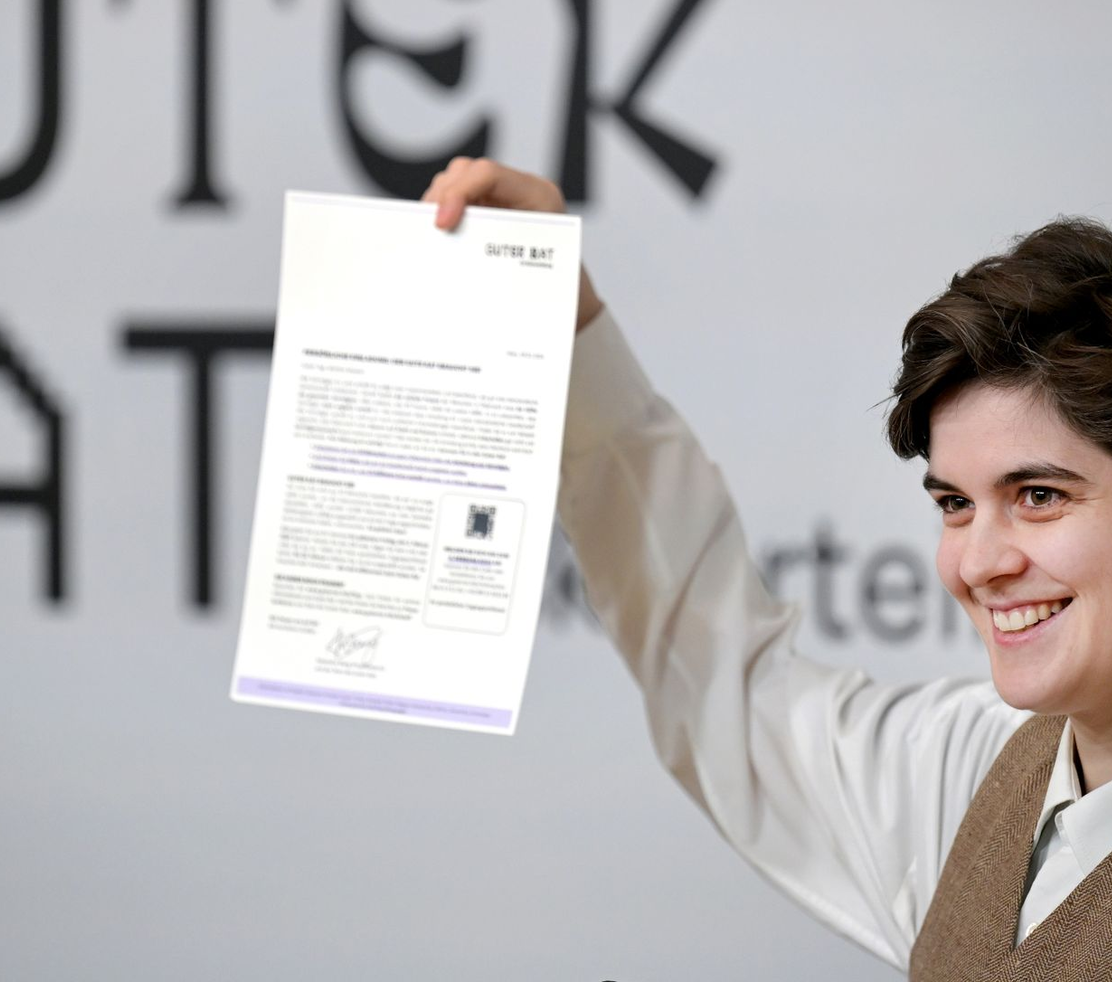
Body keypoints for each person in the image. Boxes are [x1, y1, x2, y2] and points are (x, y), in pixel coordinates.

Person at [424, 157, 1112, 981]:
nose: (979, 562)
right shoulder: (977, 767)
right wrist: (563, 321)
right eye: (954, 504)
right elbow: (730, 687)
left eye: (1039, 495)